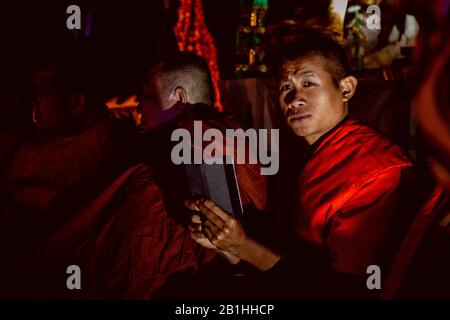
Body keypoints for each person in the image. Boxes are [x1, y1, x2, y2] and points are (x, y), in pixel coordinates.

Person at [186, 34, 418, 298]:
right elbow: (280, 256)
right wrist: (224, 244)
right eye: (286, 87)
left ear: (346, 89)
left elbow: (345, 289)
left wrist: (244, 246)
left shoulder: (375, 171)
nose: (294, 99)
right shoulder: (299, 158)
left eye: (309, 83)